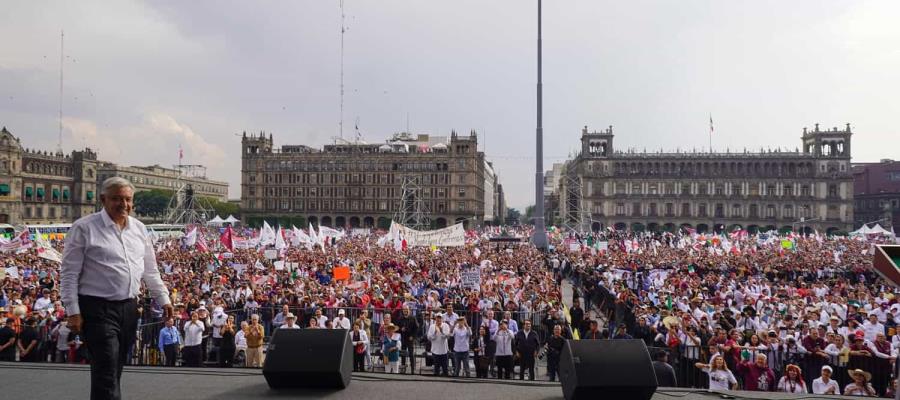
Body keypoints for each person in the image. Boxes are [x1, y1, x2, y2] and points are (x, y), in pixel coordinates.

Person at [60, 177, 173, 400]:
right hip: (96, 308)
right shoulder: (84, 228)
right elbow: (69, 273)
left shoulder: (139, 229)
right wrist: (73, 311)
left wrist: (164, 299)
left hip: (129, 309)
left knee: (114, 369)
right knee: (106, 368)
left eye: (128, 199)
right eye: (116, 199)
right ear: (103, 199)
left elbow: (150, 270)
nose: (123, 204)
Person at [396, 306, 419, 374]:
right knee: (403, 353)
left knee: (411, 354)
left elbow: (417, 328)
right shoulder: (400, 318)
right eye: (404, 310)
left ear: (409, 310)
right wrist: (401, 329)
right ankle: (403, 368)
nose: (405, 311)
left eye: (406, 309)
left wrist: (413, 336)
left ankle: (412, 369)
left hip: (410, 338)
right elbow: (397, 328)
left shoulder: (413, 318)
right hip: (403, 338)